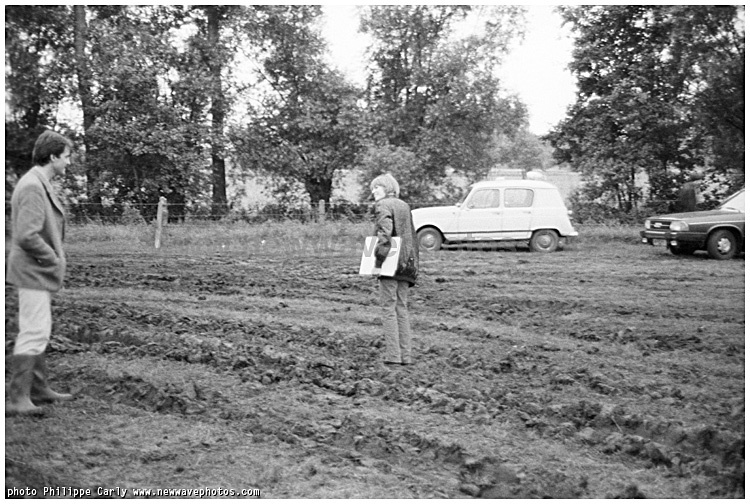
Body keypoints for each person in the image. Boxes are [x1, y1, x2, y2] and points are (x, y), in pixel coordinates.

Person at [6, 130, 74, 415]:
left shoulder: (37, 181)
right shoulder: (33, 186)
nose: (68, 163)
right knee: (34, 330)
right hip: (33, 270)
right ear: (53, 156)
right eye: (67, 157)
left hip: (35, 271)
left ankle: (38, 388)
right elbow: (27, 236)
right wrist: (54, 260)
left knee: (39, 328)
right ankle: (18, 398)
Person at [370, 173, 419, 367]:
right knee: (401, 308)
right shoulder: (404, 205)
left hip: (390, 264)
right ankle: (405, 356)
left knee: (388, 308)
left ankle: (392, 355)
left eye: (377, 187)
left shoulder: (383, 205)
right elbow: (412, 237)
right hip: (407, 264)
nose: (373, 191)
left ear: (387, 188)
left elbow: (385, 233)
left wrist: (378, 260)